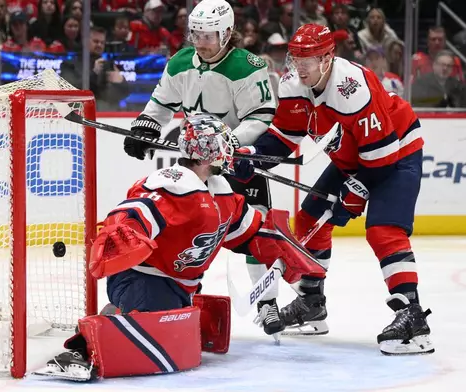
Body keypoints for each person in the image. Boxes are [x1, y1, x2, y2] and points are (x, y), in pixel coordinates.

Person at [36, 114, 325, 381]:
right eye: (225, 145)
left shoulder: (221, 192)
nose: (230, 151)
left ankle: (124, 315)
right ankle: (80, 348)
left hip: (180, 287)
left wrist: (295, 266)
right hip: (143, 279)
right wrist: (124, 230)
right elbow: (136, 210)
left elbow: (252, 235)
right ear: (211, 152)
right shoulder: (173, 187)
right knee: (157, 346)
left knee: (182, 346)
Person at [235, 24, 433, 355]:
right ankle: (312, 302)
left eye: (307, 59)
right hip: (355, 157)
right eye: (295, 57)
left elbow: (381, 159)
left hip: (396, 150)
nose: (299, 66)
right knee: (310, 215)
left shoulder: (351, 87)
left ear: (328, 58)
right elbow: (284, 137)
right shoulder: (293, 84)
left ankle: (412, 317)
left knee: (383, 230)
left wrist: (355, 193)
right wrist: (253, 158)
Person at [122, 0, 283, 338]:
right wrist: (145, 127)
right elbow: (160, 105)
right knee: (189, 232)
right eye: (195, 33)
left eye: (208, 35)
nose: (200, 41)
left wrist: (229, 144)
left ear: (227, 33)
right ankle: (180, 293)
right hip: (195, 165)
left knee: (256, 232)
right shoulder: (180, 62)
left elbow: (261, 117)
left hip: (237, 163)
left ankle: (267, 303)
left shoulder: (247, 66)